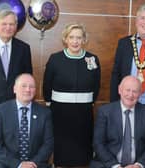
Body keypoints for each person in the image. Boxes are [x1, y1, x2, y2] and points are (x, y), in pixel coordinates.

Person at [43, 23, 101, 167]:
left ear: (84, 40)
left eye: (79, 38)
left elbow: (96, 86)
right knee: (62, 154)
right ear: (65, 39)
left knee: (82, 155)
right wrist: (50, 103)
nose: (75, 41)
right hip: (60, 114)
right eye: (72, 37)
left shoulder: (93, 59)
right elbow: (47, 84)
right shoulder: (55, 59)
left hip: (84, 114)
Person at [91, 76, 145, 168]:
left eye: (135, 91)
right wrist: (115, 166)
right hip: (109, 164)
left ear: (140, 94)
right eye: (127, 90)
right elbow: (98, 143)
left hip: (139, 163)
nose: (130, 95)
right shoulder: (105, 112)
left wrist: (138, 165)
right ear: (119, 90)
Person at [0, 73, 53, 168]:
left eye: (31, 86)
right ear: (14, 89)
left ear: (35, 91)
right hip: (5, 163)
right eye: (23, 86)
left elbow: (48, 144)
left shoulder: (44, 113)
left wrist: (32, 164)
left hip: (35, 163)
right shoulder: (0, 111)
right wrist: (18, 165)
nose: (28, 90)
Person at [110, 3, 145, 120]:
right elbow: (116, 75)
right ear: (136, 21)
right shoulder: (124, 43)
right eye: (142, 18)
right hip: (126, 103)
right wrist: (114, 104)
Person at [0, 9, 32, 122]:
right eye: (4, 24)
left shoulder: (24, 49)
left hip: (14, 107)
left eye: (12, 24)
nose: (8, 27)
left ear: (16, 26)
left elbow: (27, 78)